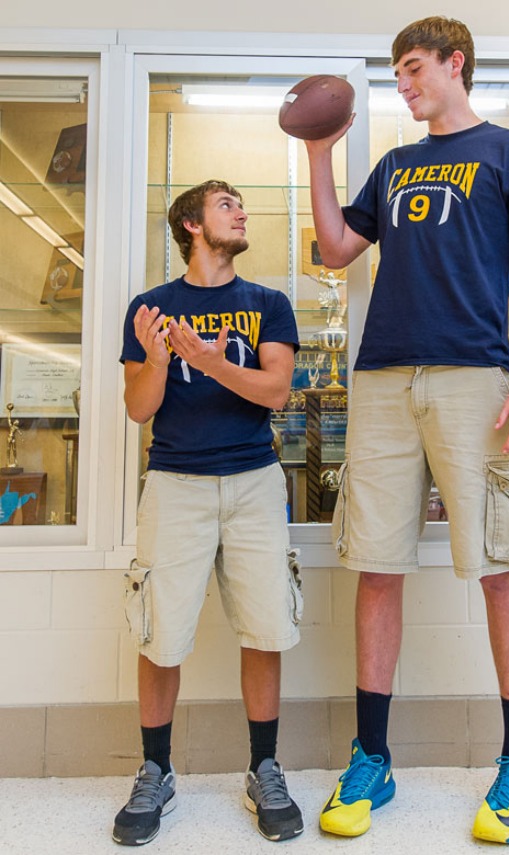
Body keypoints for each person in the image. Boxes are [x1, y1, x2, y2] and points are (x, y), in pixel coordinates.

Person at [303, 16, 509, 846]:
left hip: (473, 377)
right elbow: (336, 247)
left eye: (416, 68)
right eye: (400, 73)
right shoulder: (393, 164)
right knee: (376, 566)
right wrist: (317, 151)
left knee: (498, 566)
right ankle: (372, 756)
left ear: (457, 65)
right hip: (384, 381)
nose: (406, 84)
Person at [114, 179, 304, 846]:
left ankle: (263, 766)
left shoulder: (268, 304)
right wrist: (164, 357)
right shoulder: (152, 308)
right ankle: (155, 769)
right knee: (161, 632)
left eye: (241, 206)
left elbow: (276, 392)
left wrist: (211, 363)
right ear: (192, 224)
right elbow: (139, 407)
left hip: (254, 482)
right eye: (227, 205)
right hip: (176, 484)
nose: (241, 213)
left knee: (265, 626)